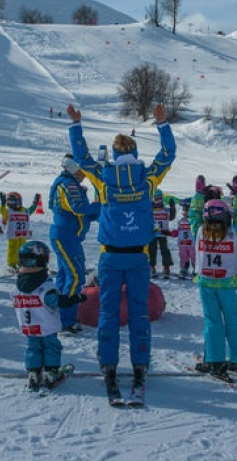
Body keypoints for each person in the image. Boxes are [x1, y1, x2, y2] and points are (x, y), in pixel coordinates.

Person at [66, 101, 176, 406]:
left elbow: (80, 158)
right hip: (139, 257)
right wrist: (163, 124)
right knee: (139, 313)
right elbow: (168, 155)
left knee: (109, 314)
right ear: (136, 153)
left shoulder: (103, 177)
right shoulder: (147, 178)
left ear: (114, 155)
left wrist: (76, 124)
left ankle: (108, 364)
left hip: (111, 257)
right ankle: (140, 365)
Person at [191, 200, 237, 383]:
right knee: (233, 320)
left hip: (207, 284)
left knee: (213, 321)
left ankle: (215, 361)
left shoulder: (199, 231)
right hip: (227, 284)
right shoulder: (234, 233)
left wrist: (199, 195)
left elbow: (193, 215)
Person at [11, 240, 85, 393]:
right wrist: (77, 298)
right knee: (51, 347)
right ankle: (50, 373)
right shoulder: (44, 287)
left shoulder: (18, 287)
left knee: (33, 347)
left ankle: (33, 372)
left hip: (29, 326)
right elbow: (59, 301)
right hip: (46, 326)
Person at [49, 154, 101, 334]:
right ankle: (66, 321)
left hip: (70, 237)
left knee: (65, 274)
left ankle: (59, 314)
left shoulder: (72, 184)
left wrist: (98, 210)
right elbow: (78, 208)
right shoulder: (68, 185)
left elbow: (83, 214)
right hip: (66, 236)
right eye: (81, 171)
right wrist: (100, 206)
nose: (83, 175)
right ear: (72, 168)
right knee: (76, 276)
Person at [0, 190, 41, 273]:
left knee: (23, 249)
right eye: (11, 201)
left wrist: (35, 203)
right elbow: (2, 211)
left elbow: (31, 209)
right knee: (13, 249)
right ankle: (12, 264)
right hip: (12, 235)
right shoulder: (9, 212)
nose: (15, 203)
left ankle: (21, 262)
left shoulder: (24, 211)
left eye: (16, 201)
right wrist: (2, 203)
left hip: (22, 235)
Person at [148, 190, 176, 279]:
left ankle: (166, 268)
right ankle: (152, 267)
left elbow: (171, 217)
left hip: (163, 233)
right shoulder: (150, 210)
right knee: (152, 251)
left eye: (160, 199)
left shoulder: (165, 210)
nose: (158, 201)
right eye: (156, 199)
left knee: (165, 250)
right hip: (152, 234)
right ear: (153, 199)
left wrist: (173, 207)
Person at [174, 198, 195, 278]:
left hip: (192, 244)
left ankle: (195, 270)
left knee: (194, 257)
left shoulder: (195, 221)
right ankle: (183, 269)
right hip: (183, 244)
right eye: (184, 210)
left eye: (187, 210)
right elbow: (178, 231)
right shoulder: (181, 221)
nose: (186, 212)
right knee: (183, 256)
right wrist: (170, 233)